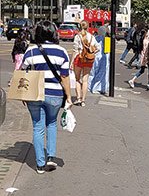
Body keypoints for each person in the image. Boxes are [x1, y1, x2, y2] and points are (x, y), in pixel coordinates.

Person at [21, 21, 72, 174]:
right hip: (55, 94)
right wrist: (68, 96)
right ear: (54, 33)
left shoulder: (30, 51)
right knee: (51, 124)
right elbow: (64, 77)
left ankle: (40, 165)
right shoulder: (62, 52)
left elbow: (23, 73)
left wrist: (24, 93)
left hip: (34, 94)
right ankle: (50, 156)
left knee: (37, 127)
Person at [71, 20, 99, 107]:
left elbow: (75, 50)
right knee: (85, 80)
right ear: (87, 27)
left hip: (79, 59)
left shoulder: (77, 36)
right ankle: (83, 101)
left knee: (77, 79)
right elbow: (98, 48)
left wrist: (71, 62)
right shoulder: (91, 36)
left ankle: (78, 98)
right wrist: (92, 53)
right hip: (88, 60)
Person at [88, 26, 109, 94]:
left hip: (94, 57)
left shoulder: (94, 38)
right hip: (103, 58)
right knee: (101, 74)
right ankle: (98, 88)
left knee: (92, 73)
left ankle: (89, 87)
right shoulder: (107, 39)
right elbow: (107, 52)